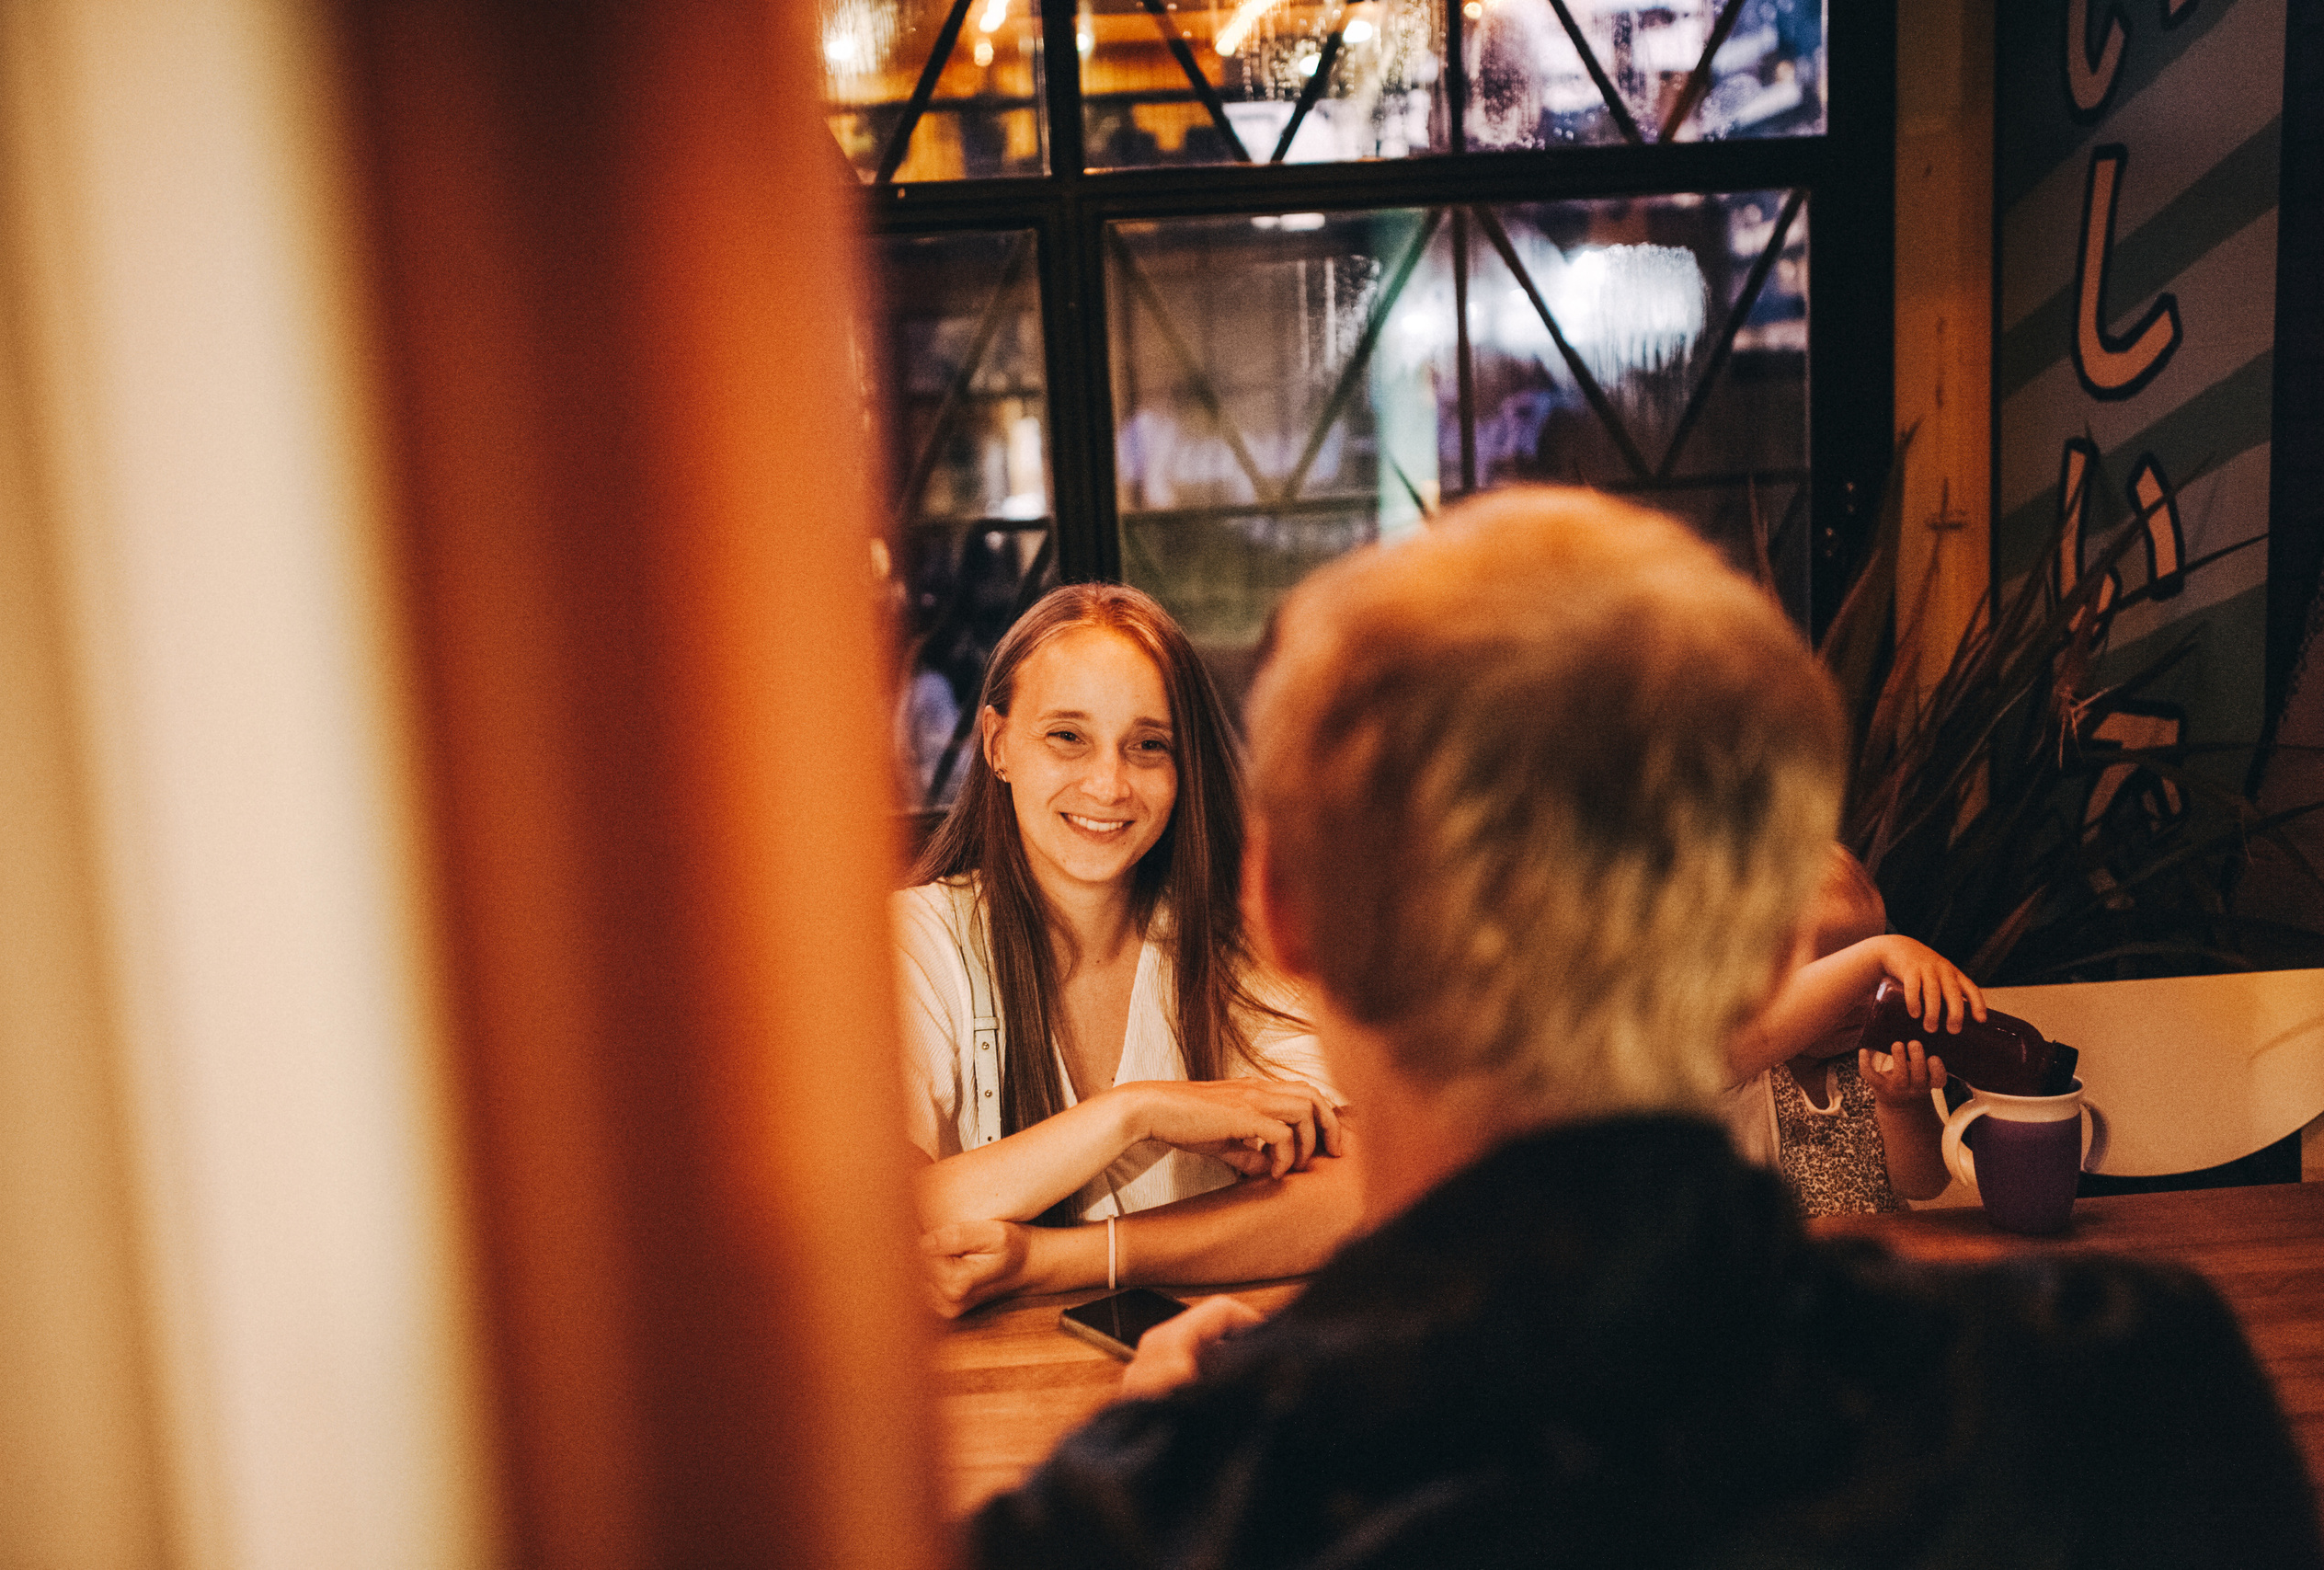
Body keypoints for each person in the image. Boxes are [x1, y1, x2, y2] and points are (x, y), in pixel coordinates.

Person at [971, 488, 2322, 1569]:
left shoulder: (1139, 1519)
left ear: (1286, 909)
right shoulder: (2130, 1389)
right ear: (1759, 938)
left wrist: (1169, 1443)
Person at [898, 583, 1358, 1316]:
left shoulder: (1233, 942)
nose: (1109, 783)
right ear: (997, 744)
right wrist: (1135, 1112)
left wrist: (1052, 1260)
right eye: (1067, 736)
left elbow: (1356, 1190)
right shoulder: (920, 940)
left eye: (1148, 746)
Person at [1723, 846, 1975, 1213]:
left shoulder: (1884, 1058)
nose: (1868, 995)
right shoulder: (1740, 1063)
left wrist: (1903, 1106)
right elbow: (1762, 1033)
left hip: (1875, 1264)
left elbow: (1924, 1184)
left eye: (1879, 976)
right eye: (1844, 971)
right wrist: (1880, 953)